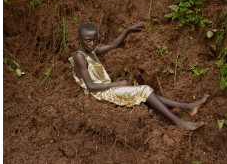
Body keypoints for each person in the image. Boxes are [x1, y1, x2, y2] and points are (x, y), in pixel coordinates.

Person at [69, 23, 209, 130]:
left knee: (146, 93)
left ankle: (187, 107)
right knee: (144, 90)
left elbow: (112, 45)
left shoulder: (92, 51)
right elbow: (91, 86)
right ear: (80, 39)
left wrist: (127, 30)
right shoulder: (80, 57)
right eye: (88, 40)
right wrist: (117, 84)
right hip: (100, 93)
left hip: (106, 89)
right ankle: (178, 121)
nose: (92, 43)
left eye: (94, 40)